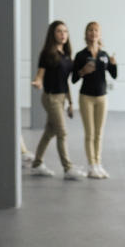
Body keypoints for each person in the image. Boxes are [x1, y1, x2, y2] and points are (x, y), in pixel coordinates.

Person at [30, 20, 85, 180]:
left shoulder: (66, 55)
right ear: (52, 34)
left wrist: (70, 102)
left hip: (61, 98)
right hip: (51, 97)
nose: (63, 35)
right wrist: (38, 82)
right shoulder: (48, 53)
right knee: (62, 132)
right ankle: (68, 168)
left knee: (49, 132)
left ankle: (37, 164)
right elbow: (40, 74)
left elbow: (66, 81)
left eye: (65, 32)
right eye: (59, 31)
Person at [72, 21, 117, 179]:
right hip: (86, 97)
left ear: (100, 34)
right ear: (86, 34)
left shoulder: (104, 55)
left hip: (102, 97)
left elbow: (114, 75)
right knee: (89, 133)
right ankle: (91, 165)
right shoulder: (81, 55)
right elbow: (74, 79)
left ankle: (98, 163)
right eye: (90, 30)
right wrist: (83, 71)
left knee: (99, 133)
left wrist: (113, 64)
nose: (93, 33)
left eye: (96, 30)